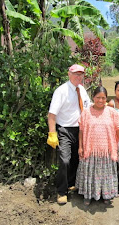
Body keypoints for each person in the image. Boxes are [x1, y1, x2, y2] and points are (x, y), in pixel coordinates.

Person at [47, 64, 91, 205]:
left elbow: (88, 106)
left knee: (76, 159)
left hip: (79, 130)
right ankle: (61, 191)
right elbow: (51, 115)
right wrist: (52, 133)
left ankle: (72, 183)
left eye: (81, 74)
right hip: (64, 130)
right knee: (65, 160)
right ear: (69, 74)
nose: (79, 77)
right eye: (76, 74)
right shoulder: (61, 91)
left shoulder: (82, 90)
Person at [76, 86, 119, 206]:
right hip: (90, 150)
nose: (100, 100)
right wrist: (80, 147)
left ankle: (106, 195)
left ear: (106, 99)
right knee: (90, 173)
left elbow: (118, 129)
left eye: (103, 98)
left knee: (105, 174)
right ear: (93, 97)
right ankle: (88, 195)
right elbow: (81, 130)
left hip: (106, 151)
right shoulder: (86, 112)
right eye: (98, 97)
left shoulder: (112, 112)